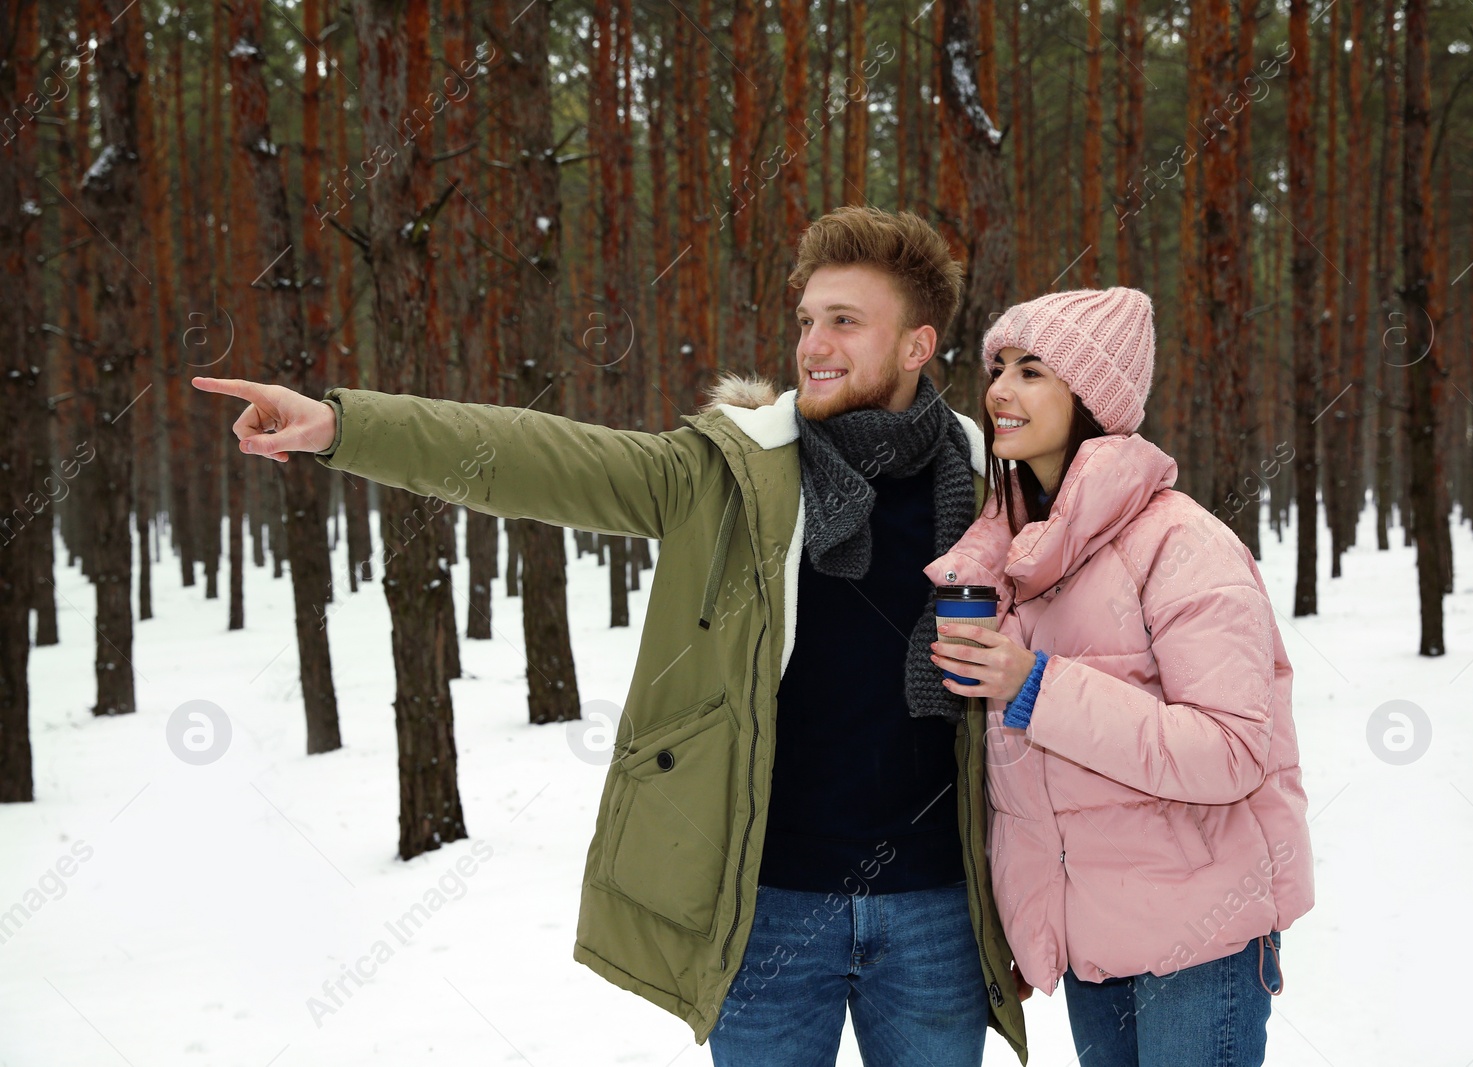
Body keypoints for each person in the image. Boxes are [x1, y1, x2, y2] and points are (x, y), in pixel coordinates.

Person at [192, 205, 1027, 1066]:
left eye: (844, 321)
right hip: (766, 908)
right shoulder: (727, 472)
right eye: (807, 319)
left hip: (938, 910)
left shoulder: (985, 487)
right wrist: (342, 425)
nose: (813, 343)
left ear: (918, 346)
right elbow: (533, 454)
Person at [923, 287, 1313, 1067]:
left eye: (1033, 371)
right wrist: (1028, 924)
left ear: (1092, 399)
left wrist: (1035, 685)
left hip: (1199, 946)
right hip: (1097, 952)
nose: (999, 389)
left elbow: (1231, 749)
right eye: (998, 366)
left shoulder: (1181, 544)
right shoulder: (1012, 556)